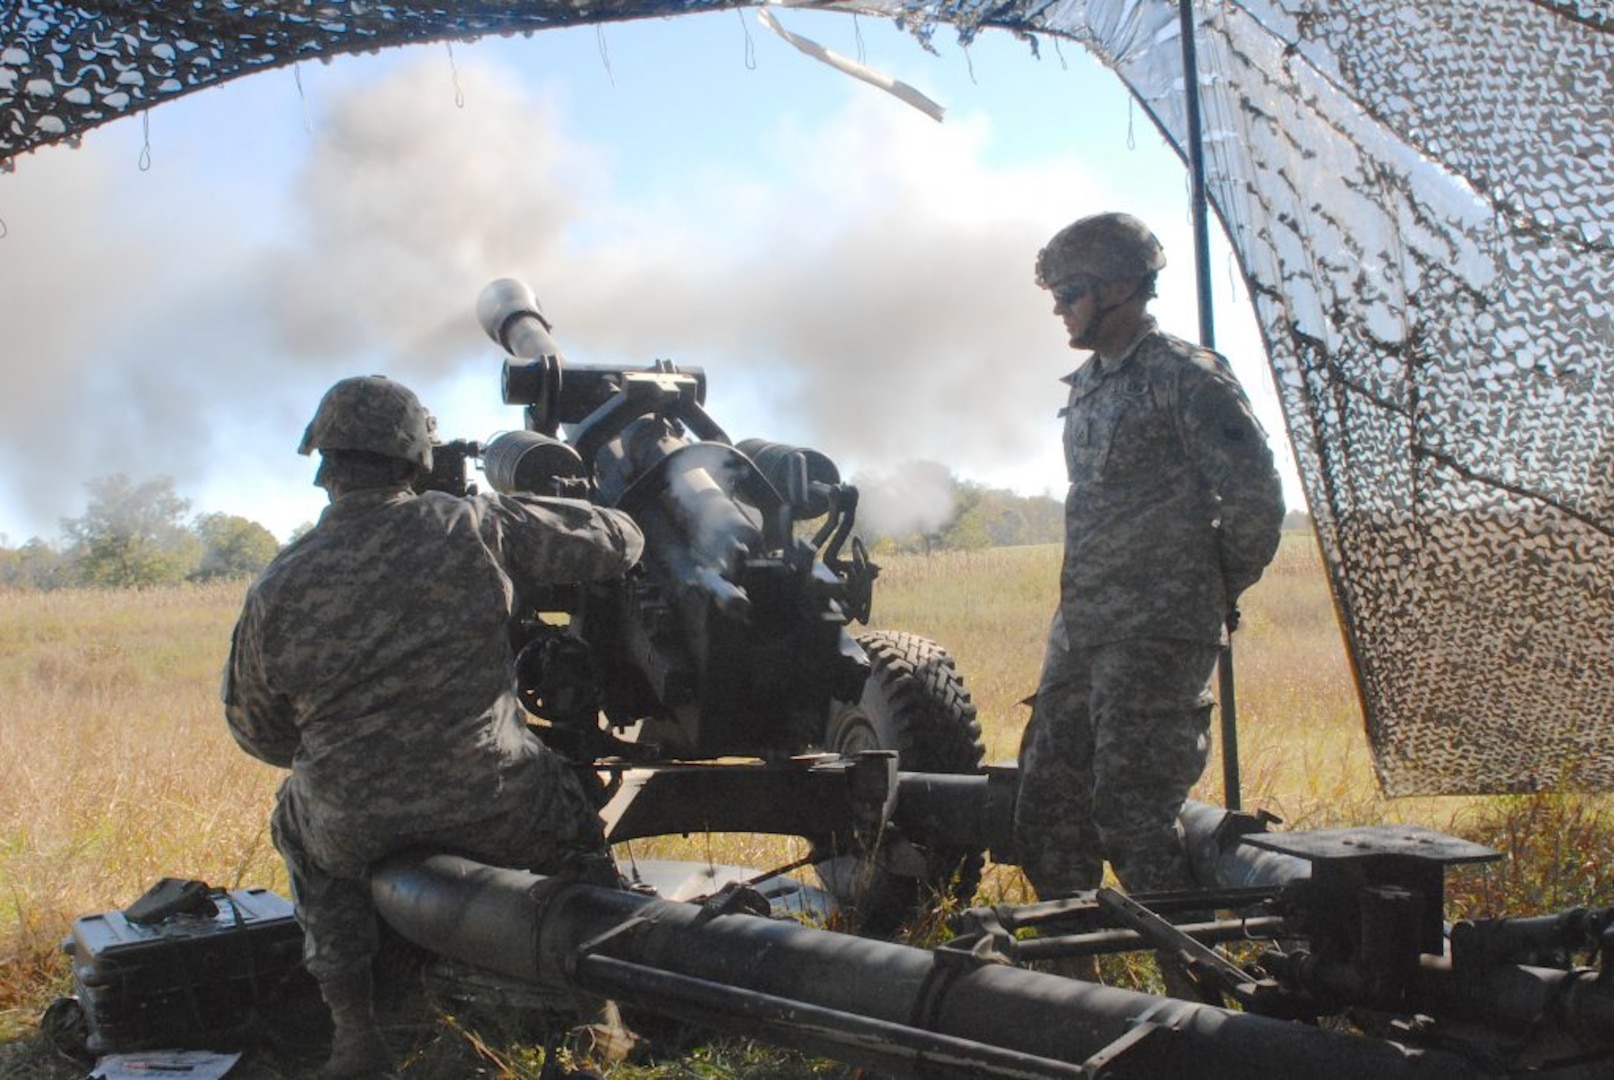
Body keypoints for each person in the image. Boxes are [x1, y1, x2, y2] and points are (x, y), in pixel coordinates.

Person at [223, 375, 645, 1078]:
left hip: (352, 817)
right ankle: (597, 1020)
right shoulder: (471, 524)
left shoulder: (279, 582)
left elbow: (256, 730)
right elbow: (617, 543)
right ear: (415, 456)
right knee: (574, 832)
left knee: (297, 822)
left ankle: (356, 1034)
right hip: (496, 798)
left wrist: (350, 759)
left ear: (324, 464)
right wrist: (578, 499)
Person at [1013, 212, 1285, 909]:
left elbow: (1255, 497)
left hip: (1158, 634)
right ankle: (1074, 989)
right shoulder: (1091, 386)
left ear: (1123, 286)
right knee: (1047, 814)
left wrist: (1205, 590)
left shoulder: (1184, 377)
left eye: (1070, 290)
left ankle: (1196, 986)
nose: (1057, 307)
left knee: (1134, 823)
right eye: (1053, 293)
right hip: (1082, 633)